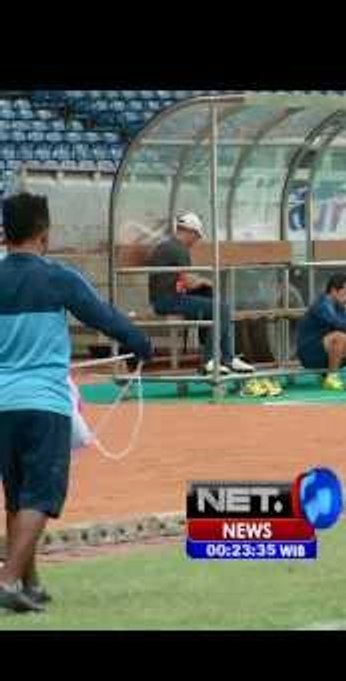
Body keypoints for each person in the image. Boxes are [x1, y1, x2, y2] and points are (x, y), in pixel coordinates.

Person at [0, 192, 152, 613]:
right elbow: (102, 316)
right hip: (44, 403)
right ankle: (8, 579)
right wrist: (140, 344)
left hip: (1, 404)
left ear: (5, 233)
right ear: (44, 234)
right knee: (41, 496)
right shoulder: (58, 278)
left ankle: (29, 581)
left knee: (16, 495)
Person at [147, 211, 255, 375]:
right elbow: (189, 282)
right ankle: (212, 359)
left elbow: (183, 279)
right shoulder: (178, 249)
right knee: (221, 308)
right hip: (168, 300)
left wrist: (200, 283)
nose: (196, 241)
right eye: (197, 236)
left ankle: (227, 358)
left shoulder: (168, 246)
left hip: (165, 298)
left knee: (219, 307)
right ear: (189, 232)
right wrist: (205, 281)